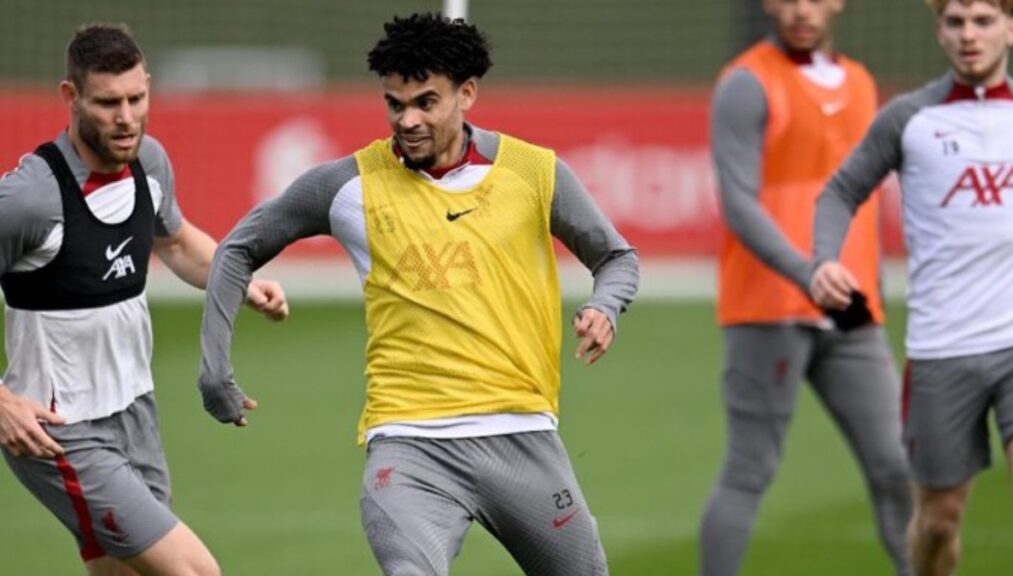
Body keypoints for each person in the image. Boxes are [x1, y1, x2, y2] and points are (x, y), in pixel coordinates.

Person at [197, 12, 638, 576]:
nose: (407, 120)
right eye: (395, 104)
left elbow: (617, 258)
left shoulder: (534, 172)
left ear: (467, 93)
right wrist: (214, 370)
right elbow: (236, 249)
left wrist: (605, 305)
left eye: (426, 102)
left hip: (523, 436)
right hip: (408, 445)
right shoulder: (346, 185)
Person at [0, 23, 288, 576]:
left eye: (137, 98)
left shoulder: (149, 162)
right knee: (196, 572)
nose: (126, 117)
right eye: (108, 103)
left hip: (134, 413)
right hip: (60, 430)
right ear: (71, 97)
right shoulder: (31, 199)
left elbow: (176, 241)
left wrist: (242, 284)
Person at [699, 1, 913, 575]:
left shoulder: (863, 83)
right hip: (771, 304)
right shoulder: (747, 83)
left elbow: (861, 198)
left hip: (849, 309)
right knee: (751, 469)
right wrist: (806, 271)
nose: (801, 9)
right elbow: (739, 204)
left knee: (896, 465)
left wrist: (867, 283)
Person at [811, 1, 1013, 574]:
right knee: (937, 522)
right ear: (938, 31)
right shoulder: (909, 118)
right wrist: (824, 260)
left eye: (983, 21)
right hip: (942, 351)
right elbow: (839, 192)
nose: (969, 35)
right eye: (955, 23)